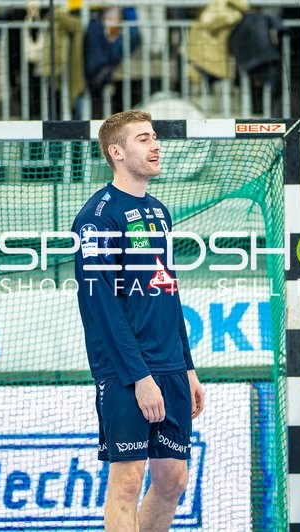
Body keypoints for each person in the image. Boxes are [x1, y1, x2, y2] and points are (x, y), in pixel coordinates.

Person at [71, 110, 205, 531]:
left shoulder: (160, 212)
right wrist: (139, 376)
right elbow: (102, 308)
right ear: (117, 152)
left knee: (173, 479)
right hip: (127, 371)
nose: (156, 145)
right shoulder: (97, 218)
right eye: (144, 139)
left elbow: (168, 292)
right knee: (128, 480)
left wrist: (187, 366)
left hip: (170, 366)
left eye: (155, 138)